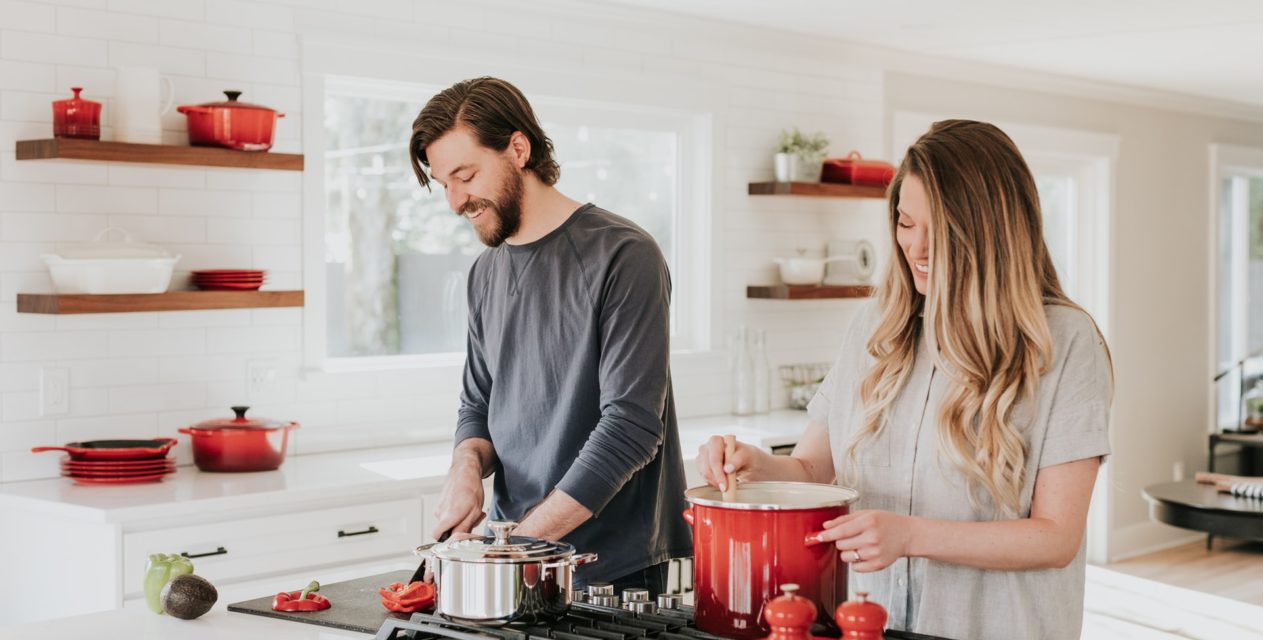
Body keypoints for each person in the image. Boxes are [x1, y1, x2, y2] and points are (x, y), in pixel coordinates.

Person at [697, 120, 1113, 640]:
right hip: (871, 624)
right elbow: (812, 466)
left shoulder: (1064, 341)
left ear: (993, 233)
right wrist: (756, 467)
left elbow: (1056, 537)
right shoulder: (876, 326)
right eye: (905, 223)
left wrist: (911, 535)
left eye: (940, 230)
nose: (916, 248)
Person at [408, 77, 692, 596]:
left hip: (611, 569)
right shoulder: (484, 272)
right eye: (442, 183)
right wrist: (465, 470)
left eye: (465, 175)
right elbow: (479, 404)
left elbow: (631, 427)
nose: (454, 202)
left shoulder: (624, 255)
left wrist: (514, 549)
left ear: (518, 149)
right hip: (511, 554)